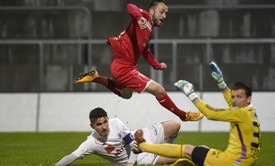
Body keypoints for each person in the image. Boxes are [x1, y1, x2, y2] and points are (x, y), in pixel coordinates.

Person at [73, 0, 203, 122]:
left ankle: (95, 77)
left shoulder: (149, 31)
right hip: (124, 68)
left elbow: (145, 51)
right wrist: (137, 16)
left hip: (119, 65)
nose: (164, 16)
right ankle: (183, 115)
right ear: (152, 11)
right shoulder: (145, 17)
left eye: (166, 13)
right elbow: (130, 6)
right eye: (161, 11)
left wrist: (157, 65)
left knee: (126, 94)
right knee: (159, 90)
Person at [133, 61, 261, 166]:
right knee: (198, 150)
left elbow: (211, 114)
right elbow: (233, 103)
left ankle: (143, 146)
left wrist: (191, 95)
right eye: (233, 96)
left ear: (248, 99)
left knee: (187, 149)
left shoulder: (240, 114)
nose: (234, 100)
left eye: (239, 97)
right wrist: (222, 84)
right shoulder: (250, 112)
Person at [52, 107, 181, 166]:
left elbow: (133, 143)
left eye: (105, 122)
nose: (104, 127)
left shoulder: (116, 123)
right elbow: (72, 156)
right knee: (182, 157)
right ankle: (165, 153)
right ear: (92, 126)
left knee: (176, 124)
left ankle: (164, 146)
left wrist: (130, 163)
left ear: (108, 119)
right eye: (99, 124)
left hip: (142, 136)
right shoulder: (91, 143)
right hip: (142, 157)